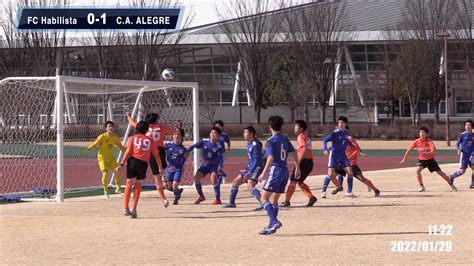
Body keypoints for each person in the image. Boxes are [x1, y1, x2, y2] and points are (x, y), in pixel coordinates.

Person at [258, 115, 300, 235]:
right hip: (285, 171)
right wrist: (297, 167)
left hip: (275, 170)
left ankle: (274, 221)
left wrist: (263, 172)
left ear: (270, 126)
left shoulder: (270, 141)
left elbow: (270, 157)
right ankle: (272, 225)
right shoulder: (285, 139)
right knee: (274, 199)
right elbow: (294, 151)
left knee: (264, 198)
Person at [115, 121, 163, 219]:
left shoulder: (132, 138)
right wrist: (160, 167)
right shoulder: (150, 140)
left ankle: (125, 208)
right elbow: (156, 155)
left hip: (132, 161)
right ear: (146, 130)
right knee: (138, 184)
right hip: (143, 163)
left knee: (129, 183)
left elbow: (128, 151)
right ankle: (134, 208)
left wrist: (121, 164)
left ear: (136, 129)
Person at [127, 112, 174, 207]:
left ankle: (163, 198)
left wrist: (128, 116)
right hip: (160, 151)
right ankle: (165, 178)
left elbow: (132, 123)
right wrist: (176, 130)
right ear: (155, 120)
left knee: (156, 176)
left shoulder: (144, 128)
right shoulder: (161, 128)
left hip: (150, 152)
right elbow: (173, 132)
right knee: (163, 171)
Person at [400, 127, 457, 192]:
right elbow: (409, 150)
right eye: (420, 132)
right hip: (422, 160)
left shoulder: (429, 142)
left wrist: (428, 153)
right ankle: (422, 186)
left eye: (423, 132)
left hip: (430, 160)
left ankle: (451, 184)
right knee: (417, 171)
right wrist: (404, 158)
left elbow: (434, 151)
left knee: (440, 173)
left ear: (426, 134)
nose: (421, 134)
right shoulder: (416, 141)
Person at [222, 126, 264, 210]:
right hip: (250, 167)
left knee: (250, 186)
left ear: (251, 134)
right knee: (235, 182)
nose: (244, 134)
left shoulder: (255, 145)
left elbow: (258, 160)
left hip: (256, 168)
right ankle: (231, 203)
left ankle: (263, 202)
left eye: (246, 132)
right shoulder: (248, 143)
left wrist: (250, 171)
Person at [334, 126, 381, 197]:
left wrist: (350, 157)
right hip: (343, 163)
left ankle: (376, 190)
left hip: (351, 164)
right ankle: (335, 188)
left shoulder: (349, 139)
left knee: (362, 178)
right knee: (331, 175)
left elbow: (356, 150)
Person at [280, 120, 317, 207]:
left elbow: (303, 150)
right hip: (309, 162)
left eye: (296, 126)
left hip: (303, 162)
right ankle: (311, 197)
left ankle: (287, 201)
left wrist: (298, 165)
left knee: (293, 181)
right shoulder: (306, 137)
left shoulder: (301, 137)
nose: (294, 128)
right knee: (300, 181)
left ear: (301, 128)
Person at [86, 121, 126, 198]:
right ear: (106, 128)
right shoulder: (102, 137)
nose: (110, 128)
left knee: (118, 171)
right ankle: (105, 191)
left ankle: (118, 188)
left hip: (111, 159)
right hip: (102, 159)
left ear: (114, 128)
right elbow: (95, 143)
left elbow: (121, 147)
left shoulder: (115, 138)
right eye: (109, 126)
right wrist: (89, 148)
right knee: (105, 174)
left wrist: (128, 152)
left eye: (112, 126)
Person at [188, 127, 225, 205]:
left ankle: (218, 199)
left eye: (215, 133)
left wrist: (220, 165)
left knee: (213, 178)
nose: (212, 134)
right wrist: (187, 151)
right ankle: (201, 196)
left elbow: (221, 158)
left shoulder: (219, 146)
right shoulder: (204, 142)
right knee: (196, 177)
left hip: (214, 165)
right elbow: (193, 146)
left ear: (218, 136)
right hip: (205, 165)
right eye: (211, 132)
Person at [320, 116, 352, 198]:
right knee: (330, 174)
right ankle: (323, 192)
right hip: (334, 155)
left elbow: (346, 140)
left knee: (350, 172)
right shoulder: (334, 133)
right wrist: (325, 149)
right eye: (339, 122)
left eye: (342, 123)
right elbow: (325, 140)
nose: (340, 124)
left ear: (345, 124)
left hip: (343, 155)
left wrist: (352, 145)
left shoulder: (346, 133)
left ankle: (349, 192)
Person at [448, 119, 474, 189]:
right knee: (462, 171)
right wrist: (458, 149)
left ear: (472, 126)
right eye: (466, 125)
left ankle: (472, 184)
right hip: (464, 155)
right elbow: (457, 143)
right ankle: (451, 177)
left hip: (472, 154)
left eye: (469, 125)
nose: (467, 126)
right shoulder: (462, 135)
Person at [164, 128, 187, 205]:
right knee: (168, 186)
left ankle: (176, 198)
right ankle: (178, 192)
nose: (176, 135)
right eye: (175, 134)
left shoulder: (183, 149)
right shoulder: (167, 145)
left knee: (175, 185)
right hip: (169, 168)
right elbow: (159, 151)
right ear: (172, 136)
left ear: (182, 137)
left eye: (179, 134)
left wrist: (177, 165)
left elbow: (183, 161)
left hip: (178, 169)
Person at [214, 120, 231, 184]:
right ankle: (224, 175)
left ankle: (219, 182)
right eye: (216, 126)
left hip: (221, 154)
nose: (218, 128)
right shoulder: (213, 134)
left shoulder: (224, 135)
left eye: (219, 126)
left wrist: (228, 148)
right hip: (214, 154)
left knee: (218, 168)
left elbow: (228, 142)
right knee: (216, 168)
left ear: (222, 127)